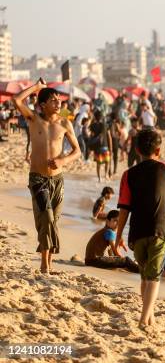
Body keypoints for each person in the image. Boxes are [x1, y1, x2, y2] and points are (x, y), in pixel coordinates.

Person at [115, 128, 165, 327]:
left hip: (137, 234)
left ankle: (149, 317)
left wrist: (119, 236)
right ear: (158, 151)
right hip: (159, 231)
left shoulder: (128, 175)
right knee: (153, 278)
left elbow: (124, 209)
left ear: (136, 149)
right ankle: (144, 319)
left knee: (145, 275)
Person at [12, 81, 81, 273]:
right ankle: (44, 264)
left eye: (59, 100)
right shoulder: (33, 119)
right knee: (47, 217)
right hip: (38, 178)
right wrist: (36, 87)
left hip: (57, 179)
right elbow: (16, 100)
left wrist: (63, 161)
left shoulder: (65, 123)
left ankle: (49, 263)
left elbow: (77, 151)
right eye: (53, 100)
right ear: (42, 104)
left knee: (53, 220)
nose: (58, 103)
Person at [90, 110, 113, 182]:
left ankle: (99, 178)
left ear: (95, 117)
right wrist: (111, 147)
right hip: (105, 147)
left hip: (97, 147)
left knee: (98, 163)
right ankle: (106, 174)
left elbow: (91, 136)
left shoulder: (93, 125)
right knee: (107, 162)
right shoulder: (105, 125)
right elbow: (109, 137)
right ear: (101, 117)